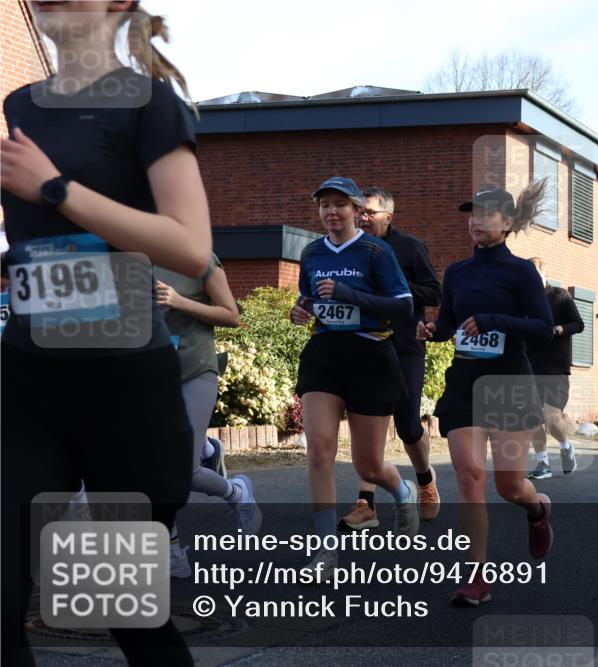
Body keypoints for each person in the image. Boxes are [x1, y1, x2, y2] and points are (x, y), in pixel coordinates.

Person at [1, 2, 210, 664]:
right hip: (28, 384)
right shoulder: (20, 105)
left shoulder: (149, 105)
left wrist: (56, 189)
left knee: (125, 609)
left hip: (126, 390)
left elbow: (190, 248)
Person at [417, 183, 554, 606]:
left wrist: (496, 320)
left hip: (509, 382)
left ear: (508, 223)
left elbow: (543, 327)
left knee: (509, 486)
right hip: (464, 383)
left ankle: (537, 509)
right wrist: (433, 332)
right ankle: (477, 576)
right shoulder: (457, 272)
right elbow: (450, 323)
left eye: (487, 214)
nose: (476, 220)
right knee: (470, 478)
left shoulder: (521, 273)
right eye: (472, 213)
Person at [288, 176, 419, 577]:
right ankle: (327, 554)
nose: (331, 212)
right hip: (325, 355)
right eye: (324, 204)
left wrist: (349, 294)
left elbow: (404, 307)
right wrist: (301, 310)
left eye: (339, 204)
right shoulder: (310, 253)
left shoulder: (375, 251)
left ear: (357, 211)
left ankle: (402, 490)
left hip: (371, 354)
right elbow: (309, 296)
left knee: (368, 466)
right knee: (319, 452)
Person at [337, 186, 443, 531]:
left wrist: (394, 285)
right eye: (360, 212)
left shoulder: (409, 247)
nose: (363, 218)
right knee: (366, 424)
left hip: (404, 344)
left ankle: (425, 480)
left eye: (369, 212)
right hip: (363, 343)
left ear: (388, 217)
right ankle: (366, 504)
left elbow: (432, 291)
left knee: (408, 425)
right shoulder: (350, 250)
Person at [155, 254, 262, 577]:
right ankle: (172, 552)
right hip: (148, 372)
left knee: (183, 473)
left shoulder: (198, 259)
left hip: (195, 370)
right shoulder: (122, 256)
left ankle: (237, 493)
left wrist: (178, 301)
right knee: (149, 470)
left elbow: (231, 315)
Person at [525, 258, 584, 478]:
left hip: (555, 367)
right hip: (529, 366)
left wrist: (559, 329)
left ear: (543, 275)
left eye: (535, 275)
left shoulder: (560, 296)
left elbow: (579, 324)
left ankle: (566, 446)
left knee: (552, 418)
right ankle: (543, 463)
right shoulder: (523, 300)